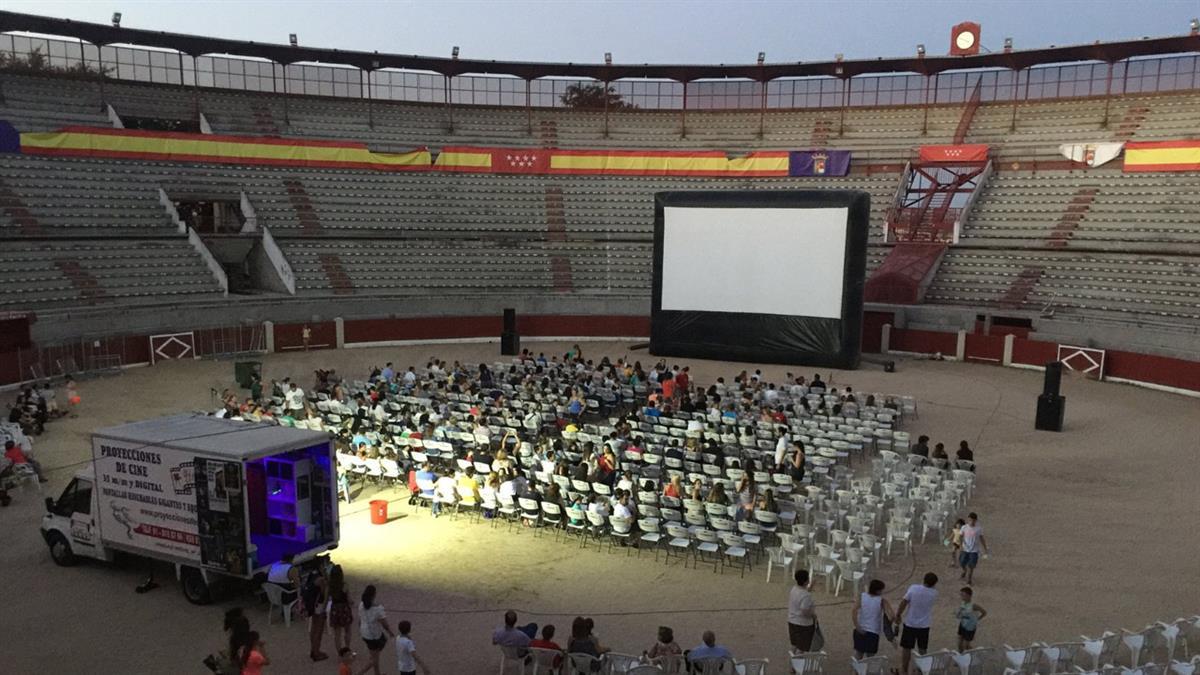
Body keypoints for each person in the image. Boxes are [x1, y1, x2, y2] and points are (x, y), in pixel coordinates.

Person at [895, 572, 939, 675]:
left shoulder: (914, 588)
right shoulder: (934, 593)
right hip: (924, 625)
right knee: (922, 649)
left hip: (910, 623)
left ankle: (904, 669)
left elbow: (904, 602)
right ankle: (921, 670)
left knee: (907, 648)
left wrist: (898, 614)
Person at [851, 579, 895, 659]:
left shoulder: (862, 596)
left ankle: (857, 671)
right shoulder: (882, 601)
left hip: (861, 629)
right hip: (873, 632)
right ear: (878, 591)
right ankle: (868, 671)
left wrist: (857, 626)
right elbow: (891, 615)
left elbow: (854, 610)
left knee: (858, 654)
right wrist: (889, 624)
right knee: (870, 657)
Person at [358, 585, 394, 675]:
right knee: (374, 659)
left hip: (365, 633)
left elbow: (360, 619)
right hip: (374, 636)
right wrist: (390, 632)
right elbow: (384, 624)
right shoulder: (378, 609)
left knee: (375, 656)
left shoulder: (361, 605)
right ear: (374, 595)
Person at [303, 564, 330, 661]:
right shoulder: (321, 580)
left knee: (314, 628)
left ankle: (313, 650)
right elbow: (324, 594)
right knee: (318, 631)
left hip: (312, 606)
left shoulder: (311, 575)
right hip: (319, 606)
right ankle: (316, 652)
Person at [787, 569, 817, 652]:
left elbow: (802, 593)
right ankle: (799, 661)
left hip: (792, 621)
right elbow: (804, 610)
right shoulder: (806, 596)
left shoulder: (794, 589)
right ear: (806, 581)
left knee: (795, 644)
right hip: (803, 624)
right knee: (802, 647)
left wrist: (811, 587)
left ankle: (792, 658)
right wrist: (813, 615)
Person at [327, 565, 354, 653]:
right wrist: (352, 602)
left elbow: (326, 599)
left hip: (335, 609)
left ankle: (340, 652)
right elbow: (349, 599)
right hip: (344, 609)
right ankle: (347, 649)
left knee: (337, 634)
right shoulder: (344, 585)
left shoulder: (330, 586)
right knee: (347, 630)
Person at [959, 512, 989, 585]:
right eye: (970, 520)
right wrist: (960, 545)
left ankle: (969, 579)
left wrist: (985, 547)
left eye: (972, 520)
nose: (971, 522)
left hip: (974, 550)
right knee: (962, 562)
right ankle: (964, 570)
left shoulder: (978, 529)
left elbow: (982, 538)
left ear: (975, 520)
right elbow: (960, 536)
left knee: (971, 565)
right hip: (965, 549)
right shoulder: (964, 527)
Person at [954, 587, 987, 651]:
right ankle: (961, 654)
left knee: (966, 645)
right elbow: (961, 611)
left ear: (969, 596)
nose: (961, 597)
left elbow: (984, 612)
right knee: (959, 642)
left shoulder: (974, 605)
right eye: (961, 595)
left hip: (970, 627)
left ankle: (971, 653)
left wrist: (977, 619)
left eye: (963, 595)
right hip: (962, 624)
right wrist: (958, 614)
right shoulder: (963, 603)